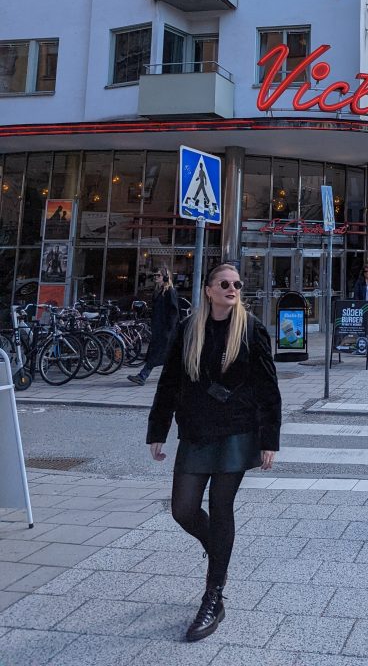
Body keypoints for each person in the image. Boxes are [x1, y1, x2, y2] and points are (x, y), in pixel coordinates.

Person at [146, 263, 282, 643]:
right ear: (208, 290)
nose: (232, 288)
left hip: (237, 431)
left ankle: (213, 597)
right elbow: (170, 381)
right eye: (224, 283)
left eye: (237, 283)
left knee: (222, 507)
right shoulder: (189, 328)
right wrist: (158, 429)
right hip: (196, 430)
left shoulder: (251, 329)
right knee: (183, 508)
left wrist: (269, 439)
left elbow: (268, 387)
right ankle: (217, 546)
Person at [129, 267, 180, 386]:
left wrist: (170, 329)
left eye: (158, 275)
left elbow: (174, 312)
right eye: (154, 275)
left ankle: (142, 376)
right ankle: (175, 377)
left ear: (165, 277)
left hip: (166, 330)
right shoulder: (159, 291)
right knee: (165, 355)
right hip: (159, 329)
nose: (155, 277)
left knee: (156, 354)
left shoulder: (170, 291)